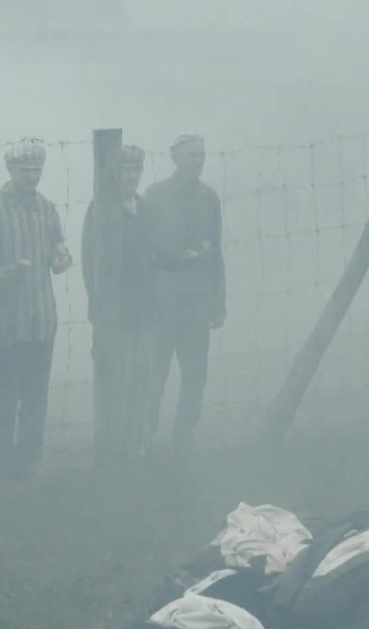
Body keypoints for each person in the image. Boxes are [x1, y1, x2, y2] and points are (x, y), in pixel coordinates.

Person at [0, 138, 72, 483]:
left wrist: (62, 256)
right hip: (4, 324)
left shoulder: (45, 207)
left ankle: (28, 464)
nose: (32, 177)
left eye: (37, 170)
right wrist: (4, 273)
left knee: (35, 399)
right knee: (1, 401)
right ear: (10, 170)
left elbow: (58, 244)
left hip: (41, 320)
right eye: (25, 170)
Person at [143, 133, 227, 460]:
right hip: (163, 302)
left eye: (201, 155)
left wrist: (219, 300)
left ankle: (183, 435)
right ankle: (146, 434)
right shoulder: (155, 197)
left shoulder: (209, 198)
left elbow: (215, 250)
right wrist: (178, 259)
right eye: (191, 155)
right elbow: (147, 252)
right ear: (175, 157)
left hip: (197, 302)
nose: (198, 161)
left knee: (195, 373)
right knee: (156, 373)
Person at [82, 144, 157, 462]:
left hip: (143, 307)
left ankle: (136, 442)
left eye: (137, 170)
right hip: (112, 309)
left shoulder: (144, 207)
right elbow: (89, 260)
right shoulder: (101, 209)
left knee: (141, 377)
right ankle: (110, 446)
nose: (133, 176)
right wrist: (98, 304)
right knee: (114, 378)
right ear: (115, 173)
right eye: (127, 169)